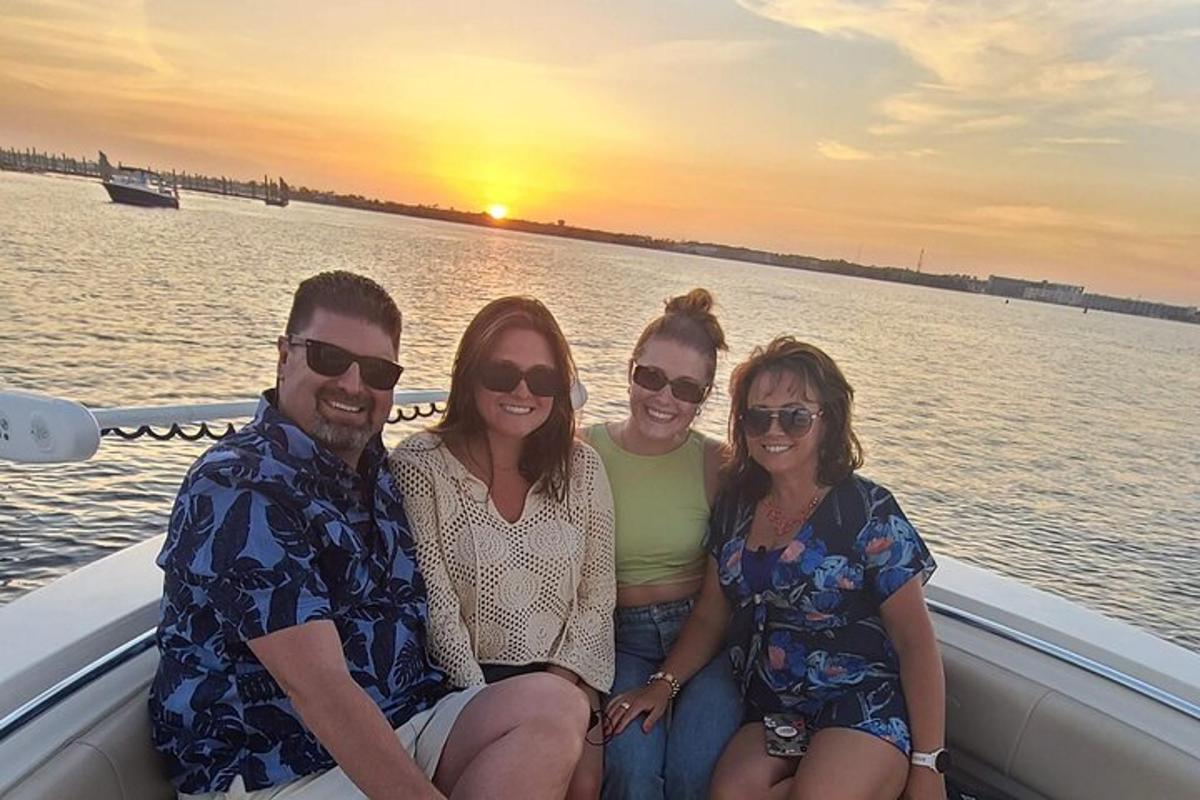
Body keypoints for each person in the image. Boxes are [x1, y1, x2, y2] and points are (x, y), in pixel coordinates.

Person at [149, 272, 589, 800]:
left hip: (404, 720)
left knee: (556, 705)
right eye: (329, 358)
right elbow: (319, 690)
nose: (354, 385)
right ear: (285, 355)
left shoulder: (376, 470)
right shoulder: (239, 485)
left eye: (378, 371)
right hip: (277, 766)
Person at [607, 336, 947, 800]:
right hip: (778, 710)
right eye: (757, 416)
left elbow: (915, 640)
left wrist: (929, 766)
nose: (774, 429)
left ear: (827, 421)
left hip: (859, 701)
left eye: (795, 416)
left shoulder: (868, 511)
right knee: (726, 793)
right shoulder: (736, 506)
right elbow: (710, 614)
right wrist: (663, 685)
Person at [390, 296, 616, 800]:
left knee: (585, 784)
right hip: (463, 684)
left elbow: (597, 597)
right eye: (502, 372)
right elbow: (436, 607)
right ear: (470, 374)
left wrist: (562, 685)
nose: (522, 391)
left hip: (569, 677)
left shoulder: (582, 469)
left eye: (543, 380)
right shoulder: (420, 466)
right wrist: (489, 703)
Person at [586, 289, 741, 800]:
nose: (664, 398)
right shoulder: (582, 450)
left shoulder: (717, 465)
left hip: (704, 636)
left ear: (705, 395)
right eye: (650, 377)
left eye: (686, 388)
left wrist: (665, 683)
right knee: (631, 772)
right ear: (630, 370)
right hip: (619, 638)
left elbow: (719, 603)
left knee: (695, 773)